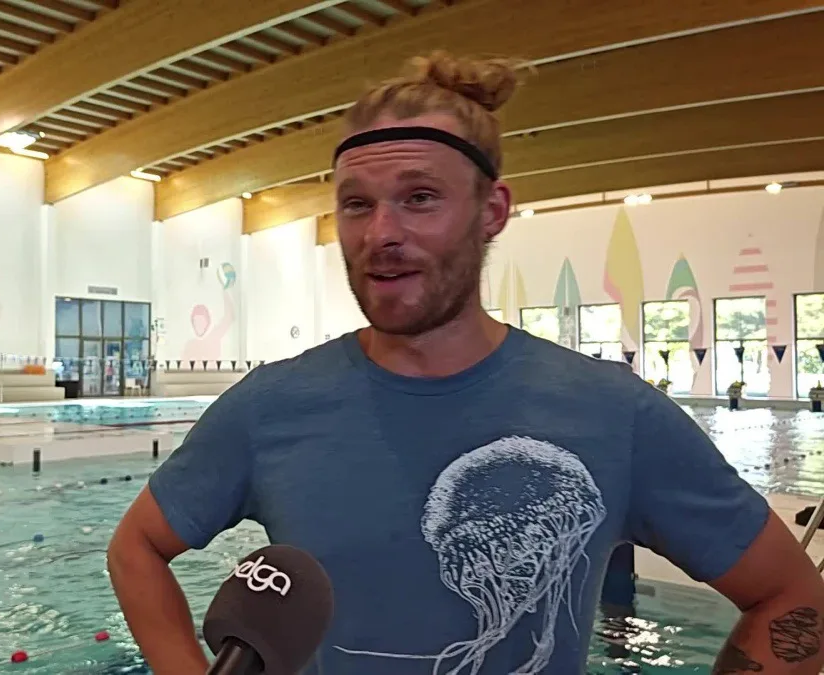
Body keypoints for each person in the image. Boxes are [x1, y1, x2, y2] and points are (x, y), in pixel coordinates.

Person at [107, 52, 824, 674]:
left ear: (493, 210)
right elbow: (137, 544)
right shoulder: (270, 405)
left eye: (420, 199)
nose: (381, 233)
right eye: (356, 205)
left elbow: (796, 595)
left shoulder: (613, 412)